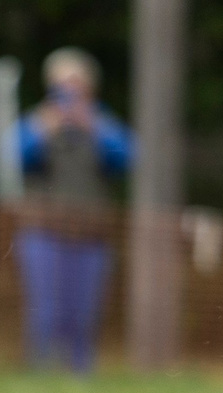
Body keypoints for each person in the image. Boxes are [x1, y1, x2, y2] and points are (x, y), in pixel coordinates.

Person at [14, 48, 133, 372]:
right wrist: (45, 129)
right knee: (45, 312)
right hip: (43, 233)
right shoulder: (37, 122)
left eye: (76, 85)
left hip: (90, 236)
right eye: (62, 85)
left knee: (83, 313)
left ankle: (80, 375)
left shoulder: (102, 125)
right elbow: (14, 156)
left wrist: (92, 126)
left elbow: (128, 156)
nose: (69, 94)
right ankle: (40, 375)